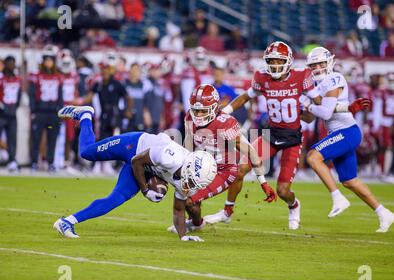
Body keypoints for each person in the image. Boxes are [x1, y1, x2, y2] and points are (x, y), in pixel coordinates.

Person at [204, 42, 362, 229]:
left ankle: (294, 205)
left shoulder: (300, 77)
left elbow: (321, 104)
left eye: (279, 61)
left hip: (292, 139)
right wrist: (225, 111)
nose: (275, 65)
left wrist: (343, 107)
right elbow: (245, 97)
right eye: (271, 61)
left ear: (288, 62)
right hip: (271, 134)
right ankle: (227, 212)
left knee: (283, 190)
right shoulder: (262, 78)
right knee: (240, 169)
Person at [53, 105, 217, 242]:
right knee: (87, 153)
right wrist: (145, 189)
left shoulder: (190, 181)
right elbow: (137, 161)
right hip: (134, 146)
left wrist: (183, 237)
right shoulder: (170, 156)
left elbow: (179, 211)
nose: (190, 185)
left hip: (147, 167)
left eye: (195, 183)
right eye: (192, 179)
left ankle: (67, 222)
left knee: (116, 199)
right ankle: (85, 115)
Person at [302, 46, 394, 233]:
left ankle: (337, 197)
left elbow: (326, 112)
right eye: (314, 65)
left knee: (313, 157)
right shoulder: (314, 87)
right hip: (339, 133)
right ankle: (383, 213)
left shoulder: (334, 78)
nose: (318, 68)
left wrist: (308, 105)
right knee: (350, 180)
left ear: (329, 62)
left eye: (321, 63)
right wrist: (298, 109)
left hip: (347, 132)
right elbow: (311, 117)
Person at [167, 84, 276, 232]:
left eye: (202, 111)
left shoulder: (225, 124)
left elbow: (250, 151)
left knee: (188, 200)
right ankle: (196, 222)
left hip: (224, 171)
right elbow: (188, 142)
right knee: (186, 195)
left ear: (213, 108)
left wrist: (263, 182)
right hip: (202, 164)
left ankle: (196, 223)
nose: (198, 115)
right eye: (196, 110)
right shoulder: (189, 117)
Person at [28, 44, 63, 172]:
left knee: (52, 138)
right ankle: (34, 162)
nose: (48, 63)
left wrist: (61, 111)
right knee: (36, 138)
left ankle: (51, 162)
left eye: (51, 60)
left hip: (53, 112)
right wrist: (33, 111)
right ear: (43, 61)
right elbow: (32, 95)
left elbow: (60, 96)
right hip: (40, 111)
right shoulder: (36, 76)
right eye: (46, 60)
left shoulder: (58, 77)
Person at [0, 55, 21, 172]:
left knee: (12, 139)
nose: (11, 66)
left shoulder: (17, 79)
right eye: (9, 63)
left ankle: (12, 160)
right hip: (1, 113)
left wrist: (14, 108)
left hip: (12, 113)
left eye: (13, 63)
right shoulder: (1, 78)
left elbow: (19, 96)